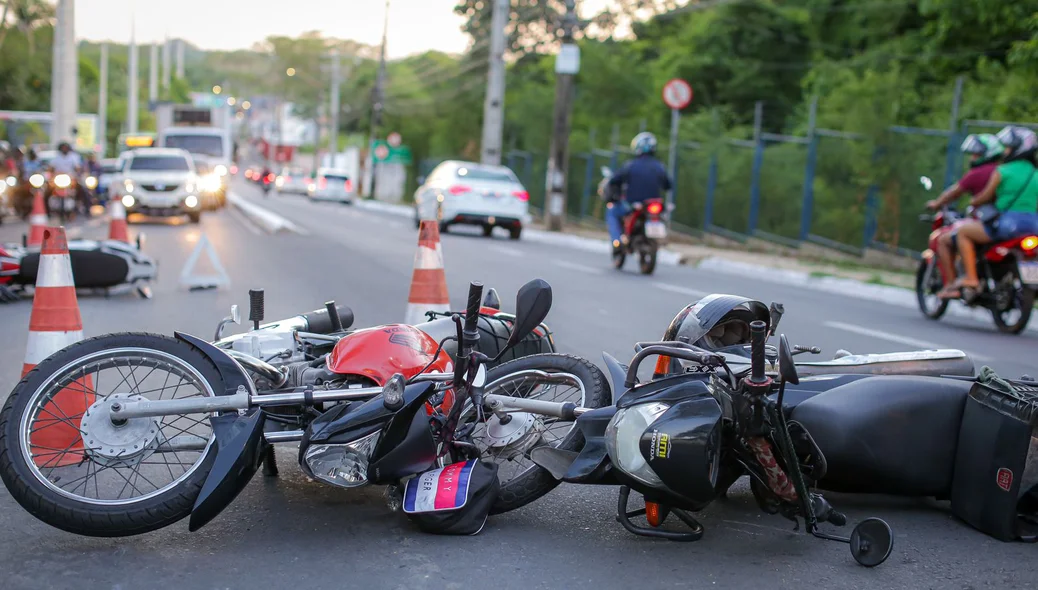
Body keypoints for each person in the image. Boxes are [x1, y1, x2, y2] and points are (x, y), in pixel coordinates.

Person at [942, 126, 1038, 298]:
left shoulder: (1003, 171)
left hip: (1007, 225)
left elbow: (985, 196)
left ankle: (971, 278)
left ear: (1018, 149)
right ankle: (1029, 282)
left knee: (963, 232)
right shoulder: (1036, 174)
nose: (1006, 151)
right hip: (1033, 225)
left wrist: (974, 201)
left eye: (1009, 147)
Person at [926, 134, 1005, 295]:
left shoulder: (979, 173)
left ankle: (955, 283)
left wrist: (936, 204)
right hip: (1009, 222)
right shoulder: (1004, 170)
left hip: (989, 223)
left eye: (977, 154)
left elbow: (954, 192)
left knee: (945, 239)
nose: (973, 157)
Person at [605, 132, 673, 253]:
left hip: (633, 204)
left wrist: (613, 195)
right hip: (653, 205)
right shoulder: (659, 166)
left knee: (612, 212)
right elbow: (668, 185)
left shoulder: (630, 165)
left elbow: (615, 180)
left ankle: (617, 242)